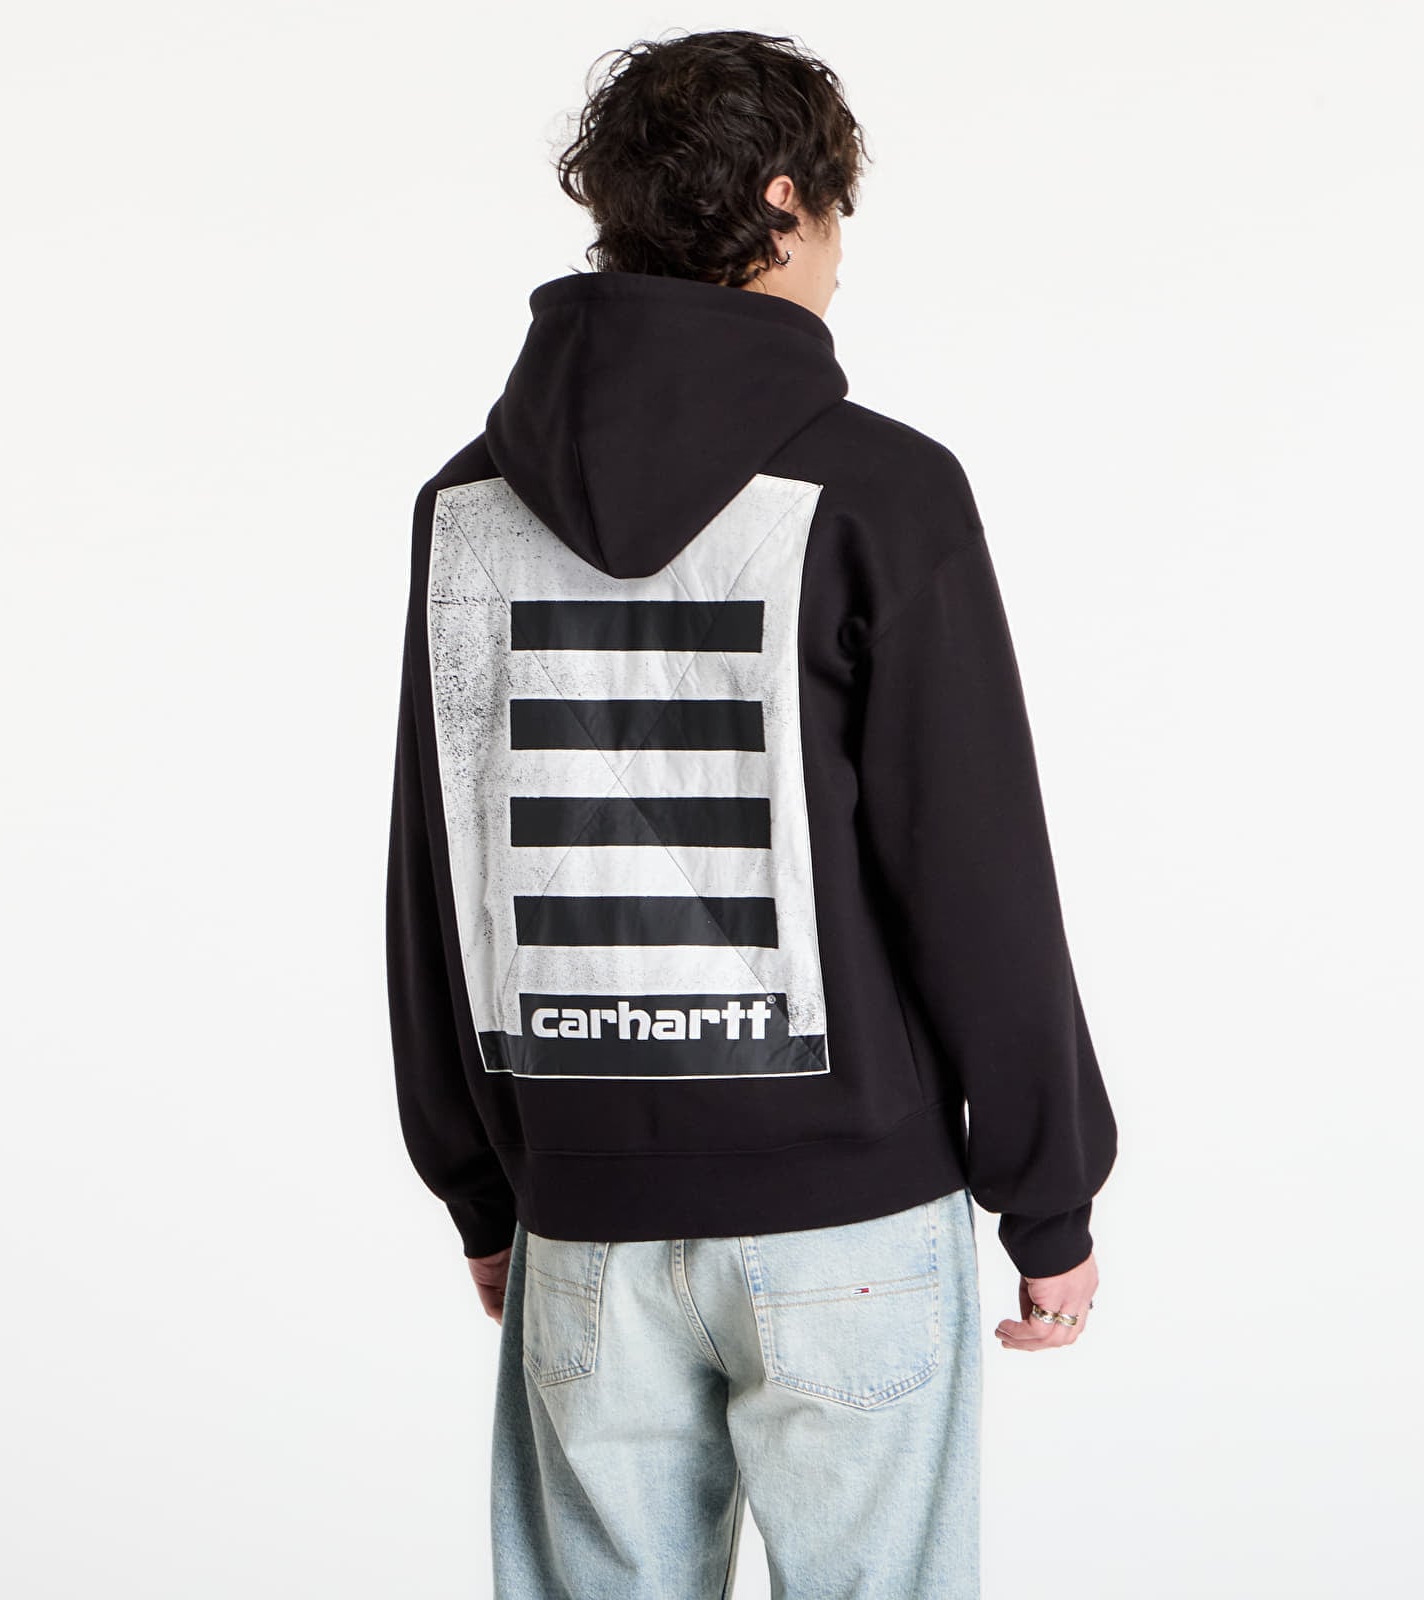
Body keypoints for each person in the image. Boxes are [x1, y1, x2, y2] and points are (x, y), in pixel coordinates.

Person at [385, 27, 1118, 1598]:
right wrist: (1048, 1195)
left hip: (582, 1216)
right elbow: (973, 869)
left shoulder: (467, 506)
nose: (842, 260)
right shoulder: (882, 491)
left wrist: (480, 1188)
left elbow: (435, 864)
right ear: (784, 201)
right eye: (838, 217)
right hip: (848, 1216)